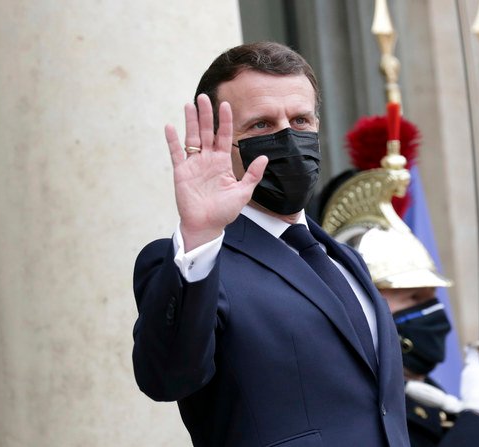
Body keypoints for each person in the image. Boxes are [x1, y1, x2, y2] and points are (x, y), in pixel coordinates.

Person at [131, 42, 410, 447]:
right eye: (261, 125)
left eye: (300, 120)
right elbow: (167, 377)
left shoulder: (345, 258)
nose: (287, 138)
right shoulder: (193, 261)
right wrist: (200, 234)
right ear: (217, 141)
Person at [320, 159, 479, 447]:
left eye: (431, 297)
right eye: (413, 297)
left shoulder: (426, 396)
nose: (432, 311)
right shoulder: (343, 404)